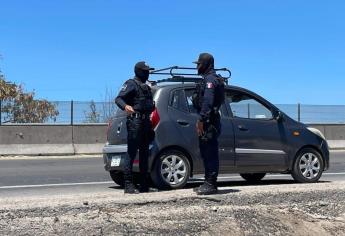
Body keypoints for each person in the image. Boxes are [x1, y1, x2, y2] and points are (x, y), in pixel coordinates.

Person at [115, 61, 155, 194]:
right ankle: (128, 184)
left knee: (144, 154)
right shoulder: (131, 83)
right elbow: (119, 99)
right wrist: (126, 107)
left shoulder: (147, 86)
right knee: (131, 153)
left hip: (145, 123)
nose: (147, 73)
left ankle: (144, 185)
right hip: (135, 122)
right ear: (138, 71)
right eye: (145, 71)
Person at [192, 53, 225, 195]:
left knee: (210, 152)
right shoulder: (208, 79)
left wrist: (201, 119)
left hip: (209, 121)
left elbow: (208, 101)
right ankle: (208, 181)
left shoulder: (210, 80)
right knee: (206, 152)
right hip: (209, 120)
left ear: (206, 64)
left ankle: (211, 183)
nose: (197, 67)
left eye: (199, 64)